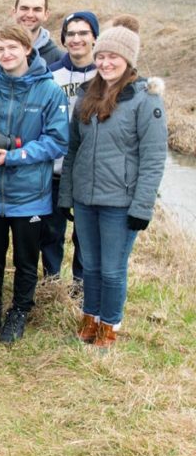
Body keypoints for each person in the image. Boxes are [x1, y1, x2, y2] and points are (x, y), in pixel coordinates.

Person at [59, 19, 166, 349]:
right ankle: (90, 316)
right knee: (89, 265)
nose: (105, 63)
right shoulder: (86, 95)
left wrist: (142, 207)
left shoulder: (145, 101)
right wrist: (67, 195)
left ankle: (109, 324)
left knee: (112, 269)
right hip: (87, 199)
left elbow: (153, 159)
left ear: (129, 60)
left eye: (113, 57)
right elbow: (73, 148)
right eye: (101, 56)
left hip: (121, 203)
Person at [0, 24, 69, 344]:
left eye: (12, 47)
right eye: (0, 49)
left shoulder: (49, 91)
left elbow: (57, 142)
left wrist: (13, 156)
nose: (6, 54)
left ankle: (19, 311)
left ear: (28, 49)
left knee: (26, 259)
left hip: (31, 195)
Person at [42, 11, 100, 284]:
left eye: (83, 33)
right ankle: (51, 282)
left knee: (86, 233)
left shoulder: (106, 74)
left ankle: (81, 284)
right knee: (51, 231)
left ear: (94, 38)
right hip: (54, 169)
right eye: (71, 34)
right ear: (63, 39)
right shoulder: (50, 74)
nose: (77, 39)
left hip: (90, 170)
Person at [0, 0, 64, 78]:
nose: (30, 15)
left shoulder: (58, 58)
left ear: (46, 15)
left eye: (37, 9)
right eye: (24, 8)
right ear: (14, 12)